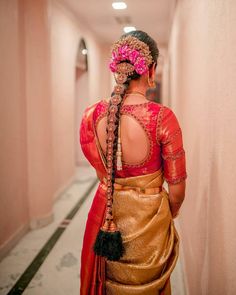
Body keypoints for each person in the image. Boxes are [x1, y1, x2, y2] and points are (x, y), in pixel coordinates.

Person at [79, 30, 187, 295]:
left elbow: (101, 172)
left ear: (118, 69)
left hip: (109, 217)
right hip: (150, 222)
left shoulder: (92, 115)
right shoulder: (162, 117)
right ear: (151, 69)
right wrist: (168, 213)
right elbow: (177, 189)